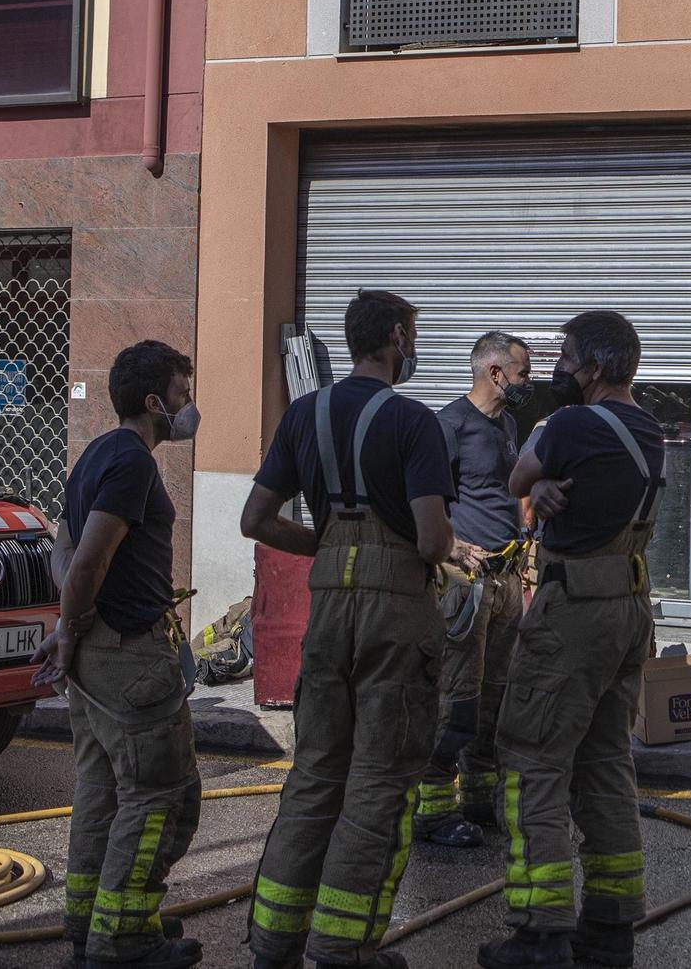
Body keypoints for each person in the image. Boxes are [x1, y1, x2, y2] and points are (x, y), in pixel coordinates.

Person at [239, 290, 456, 969]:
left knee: (315, 771)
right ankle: (342, 947)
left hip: (329, 606)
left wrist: (331, 548)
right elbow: (430, 536)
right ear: (396, 336)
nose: (413, 346)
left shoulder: (304, 413)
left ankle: (273, 940)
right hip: (395, 611)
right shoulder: (414, 421)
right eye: (413, 334)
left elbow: (256, 518)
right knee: (379, 776)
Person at [480, 311, 662, 969]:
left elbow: (517, 478)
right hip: (626, 609)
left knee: (532, 759)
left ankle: (540, 932)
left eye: (566, 353)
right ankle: (610, 929)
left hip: (574, 611)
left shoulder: (574, 424)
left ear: (595, 366)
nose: (558, 363)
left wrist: (546, 470)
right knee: (606, 760)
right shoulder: (649, 428)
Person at [34, 340, 205, 969]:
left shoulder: (96, 456)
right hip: (130, 654)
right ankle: (125, 937)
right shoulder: (132, 461)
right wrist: (71, 628)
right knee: (162, 795)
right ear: (155, 401)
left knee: (103, 790)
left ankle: (88, 925)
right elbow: (87, 562)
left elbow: (62, 551)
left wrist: (69, 630)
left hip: (97, 656)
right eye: (183, 393)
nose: (190, 408)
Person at [419, 331, 535, 847]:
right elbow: (423, 502)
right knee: (458, 701)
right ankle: (432, 812)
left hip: (506, 581)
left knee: (497, 700)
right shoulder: (448, 427)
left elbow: (508, 493)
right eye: (522, 373)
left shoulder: (507, 424)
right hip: (466, 586)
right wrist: (452, 546)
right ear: (495, 374)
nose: (527, 382)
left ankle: (480, 802)